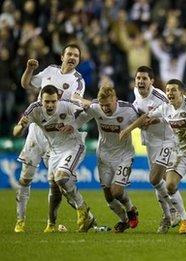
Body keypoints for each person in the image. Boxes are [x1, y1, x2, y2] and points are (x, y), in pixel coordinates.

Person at [121, 79, 186, 234]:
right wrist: (128, 130)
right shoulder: (165, 107)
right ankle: (184, 219)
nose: (170, 93)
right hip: (179, 153)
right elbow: (145, 117)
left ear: (181, 92)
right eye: (168, 90)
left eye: (174, 90)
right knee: (170, 185)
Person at [14, 43, 89, 233]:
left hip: (58, 134)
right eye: (69, 54)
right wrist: (30, 68)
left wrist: (84, 105)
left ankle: (52, 223)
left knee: (56, 182)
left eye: (76, 56)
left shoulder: (78, 80)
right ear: (62, 56)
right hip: (38, 130)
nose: (72, 58)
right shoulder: (50, 70)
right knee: (25, 177)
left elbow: (77, 101)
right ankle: (20, 221)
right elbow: (25, 84)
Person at [76, 86, 139, 233]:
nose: (105, 108)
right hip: (103, 156)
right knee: (109, 197)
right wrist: (70, 126)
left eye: (108, 105)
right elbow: (78, 120)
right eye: (102, 105)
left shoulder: (128, 110)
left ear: (115, 100)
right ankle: (124, 220)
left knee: (117, 191)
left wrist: (130, 129)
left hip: (124, 155)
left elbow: (142, 121)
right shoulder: (95, 108)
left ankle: (130, 209)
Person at [131, 66, 185, 234]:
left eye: (144, 78)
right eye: (138, 78)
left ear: (151, 81)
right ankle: (168, 216)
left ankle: (175, 212)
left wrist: (151, 121)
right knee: (158, 183)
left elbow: (171, 113)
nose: (140, 81)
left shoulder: (160, 97)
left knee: (155, 179)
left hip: (166, 141)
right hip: (150, 143)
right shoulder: (136, 93)